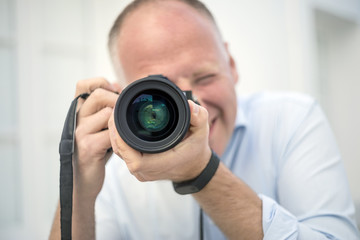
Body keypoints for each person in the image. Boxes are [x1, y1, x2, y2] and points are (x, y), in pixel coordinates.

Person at [50, 0, 360, 239]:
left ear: (232, 65)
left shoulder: (290, 120)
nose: (195, 107)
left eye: (207, 76)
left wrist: (203, 174)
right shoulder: (115, 169)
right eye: (163, 92)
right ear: (122, 97)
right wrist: (78, 187)